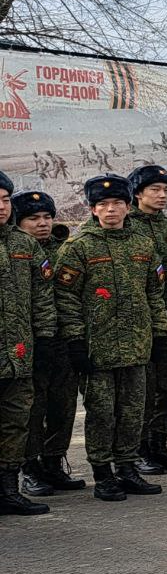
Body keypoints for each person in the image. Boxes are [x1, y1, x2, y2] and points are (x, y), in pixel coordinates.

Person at [54, 173, 167, 501]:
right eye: (102, 204)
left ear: (128, 206)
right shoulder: (78, 247)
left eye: (117, 203)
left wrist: (159, 333)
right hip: (96, 350)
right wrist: (75, 342)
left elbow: (154, 292)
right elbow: (66, 298)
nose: (110, 210)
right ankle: (103, 474)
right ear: (92, 209)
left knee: (133, 410)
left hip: (135, 346)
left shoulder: (143, 244)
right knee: (102, 413)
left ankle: (128, 468)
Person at [10, 191, 83, 499]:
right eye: (33, 219)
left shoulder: (64, 251)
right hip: (30, 343)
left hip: (64, 341)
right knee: (31, 409)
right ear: (18, 221)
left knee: (62, 406)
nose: (42, 224)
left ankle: (53, 462)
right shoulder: (15, 251)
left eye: (46, 217)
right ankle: (30, 469)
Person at [126, 164, 167, 475]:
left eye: (166, 190)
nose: (162, 195)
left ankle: (159, 444)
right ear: (138, 192)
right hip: (139, 323)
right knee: (142, 390)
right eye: (155, 190)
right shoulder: (126, 227)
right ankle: (137, 450)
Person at [0, 174, 57, 515]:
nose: (1, 206)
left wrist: (46, 338)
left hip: (18, 354)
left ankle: (8, 489)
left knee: (15, 421)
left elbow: (43, 297)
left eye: (5, 199)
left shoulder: (24, 245)